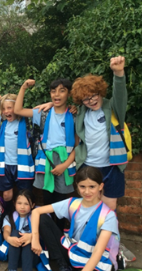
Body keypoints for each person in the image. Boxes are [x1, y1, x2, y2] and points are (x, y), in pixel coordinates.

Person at [71, 56, 135, 262]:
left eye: (94, 96)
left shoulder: (111, 106)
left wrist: (118, 73)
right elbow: (65, 106)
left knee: (110, 209)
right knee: (90, 208)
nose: (91, 101)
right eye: (86, 99)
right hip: (89, 168)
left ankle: (114, 244)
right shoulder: (81, 112)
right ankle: (90, 243)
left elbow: (121, 94)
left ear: (100, 92)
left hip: (112, 166)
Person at [31, 166, 120, 271]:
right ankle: (63, 266)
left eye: (92, 187)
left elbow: (98, 251)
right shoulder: (73, 203)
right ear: (77, 186)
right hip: (73, 251)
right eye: (83, 186)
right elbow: (36, 211)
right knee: (43, 218)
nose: (87, 191)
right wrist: (35, 239)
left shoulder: (108, 215)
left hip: (94, 262)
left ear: (100, 186)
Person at [14, 78, 76, 230]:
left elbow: (77, 145)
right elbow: (18, 110)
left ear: (69, 93)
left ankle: (59, 234)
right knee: (47, 199)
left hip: (64, 162)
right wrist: (23, 87)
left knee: (62, 202)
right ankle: (48, 235)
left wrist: (64, 165)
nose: (57, 94)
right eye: (54, 91)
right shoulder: (43, 113)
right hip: (46, 161)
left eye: (62, 90)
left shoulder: (75, 115)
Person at [0, 93, 35, 211]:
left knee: (25, 196)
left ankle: (25, 220)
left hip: (23, 166)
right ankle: (8, 219)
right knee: (7, 196)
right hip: (5, 166)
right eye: (3, 108)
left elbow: (42, 111)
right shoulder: (3, 122)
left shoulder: (27, 121)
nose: (6, 111)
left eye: (9, 108)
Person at [2, 190, 38, 271]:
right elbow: (6, 231)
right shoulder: (10, 217)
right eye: (19, 203)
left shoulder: (35, 217)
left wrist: (31, 237)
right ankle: (12, 269)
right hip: (13, 256)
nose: (22, 207)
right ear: (14, 203)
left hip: (31, 258)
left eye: (26, 204)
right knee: (15, 233)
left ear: (33, 205)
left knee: (28, 241)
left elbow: (42, 234)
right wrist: (9, 239)